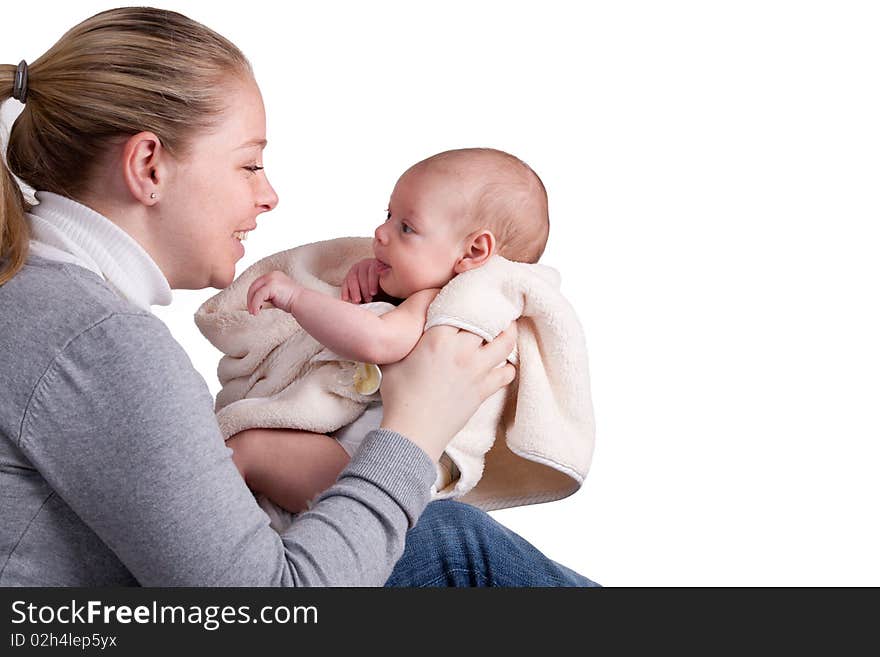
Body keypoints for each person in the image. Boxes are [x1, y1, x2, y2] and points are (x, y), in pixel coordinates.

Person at [0, 6, 597, 587]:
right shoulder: (103, 345)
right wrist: (416, 430)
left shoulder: (40, 303)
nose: (269, 196)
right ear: (149, 166)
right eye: (250, 164)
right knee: (451, 543)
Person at [229, 147, 552, 513]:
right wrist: (380, 284)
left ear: (475, 250)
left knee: (242, 449)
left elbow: (376, 340)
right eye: (388, 215)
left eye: (406, 227)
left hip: (366, 470)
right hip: (362, 463)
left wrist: (295, 298)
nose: (381, 232)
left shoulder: (444, 307)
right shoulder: (430, 299)